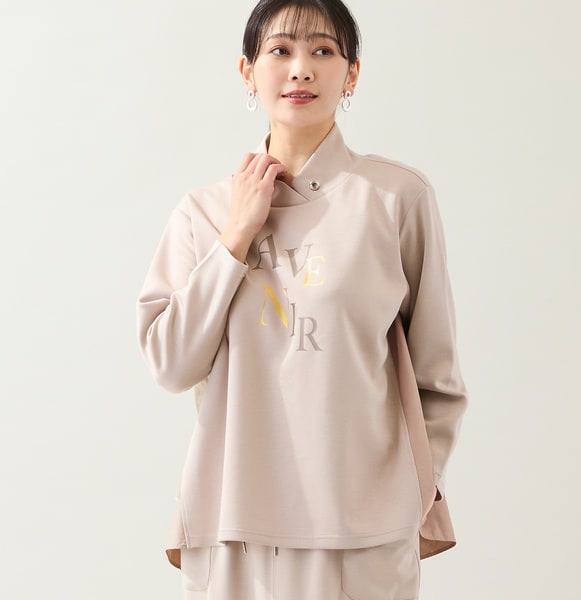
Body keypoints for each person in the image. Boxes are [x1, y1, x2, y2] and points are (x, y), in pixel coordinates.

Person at [136, 0, 467, 598]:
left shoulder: (395, 197)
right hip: (232, 528)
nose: (301, 68)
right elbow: (171, 364)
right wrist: (236, 237)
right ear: (247, 71)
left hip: (362, 532)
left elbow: (437, 378)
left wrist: (409, 492)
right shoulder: (203, 213)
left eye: (323, 50)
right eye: (280, 50)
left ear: (352, 73)